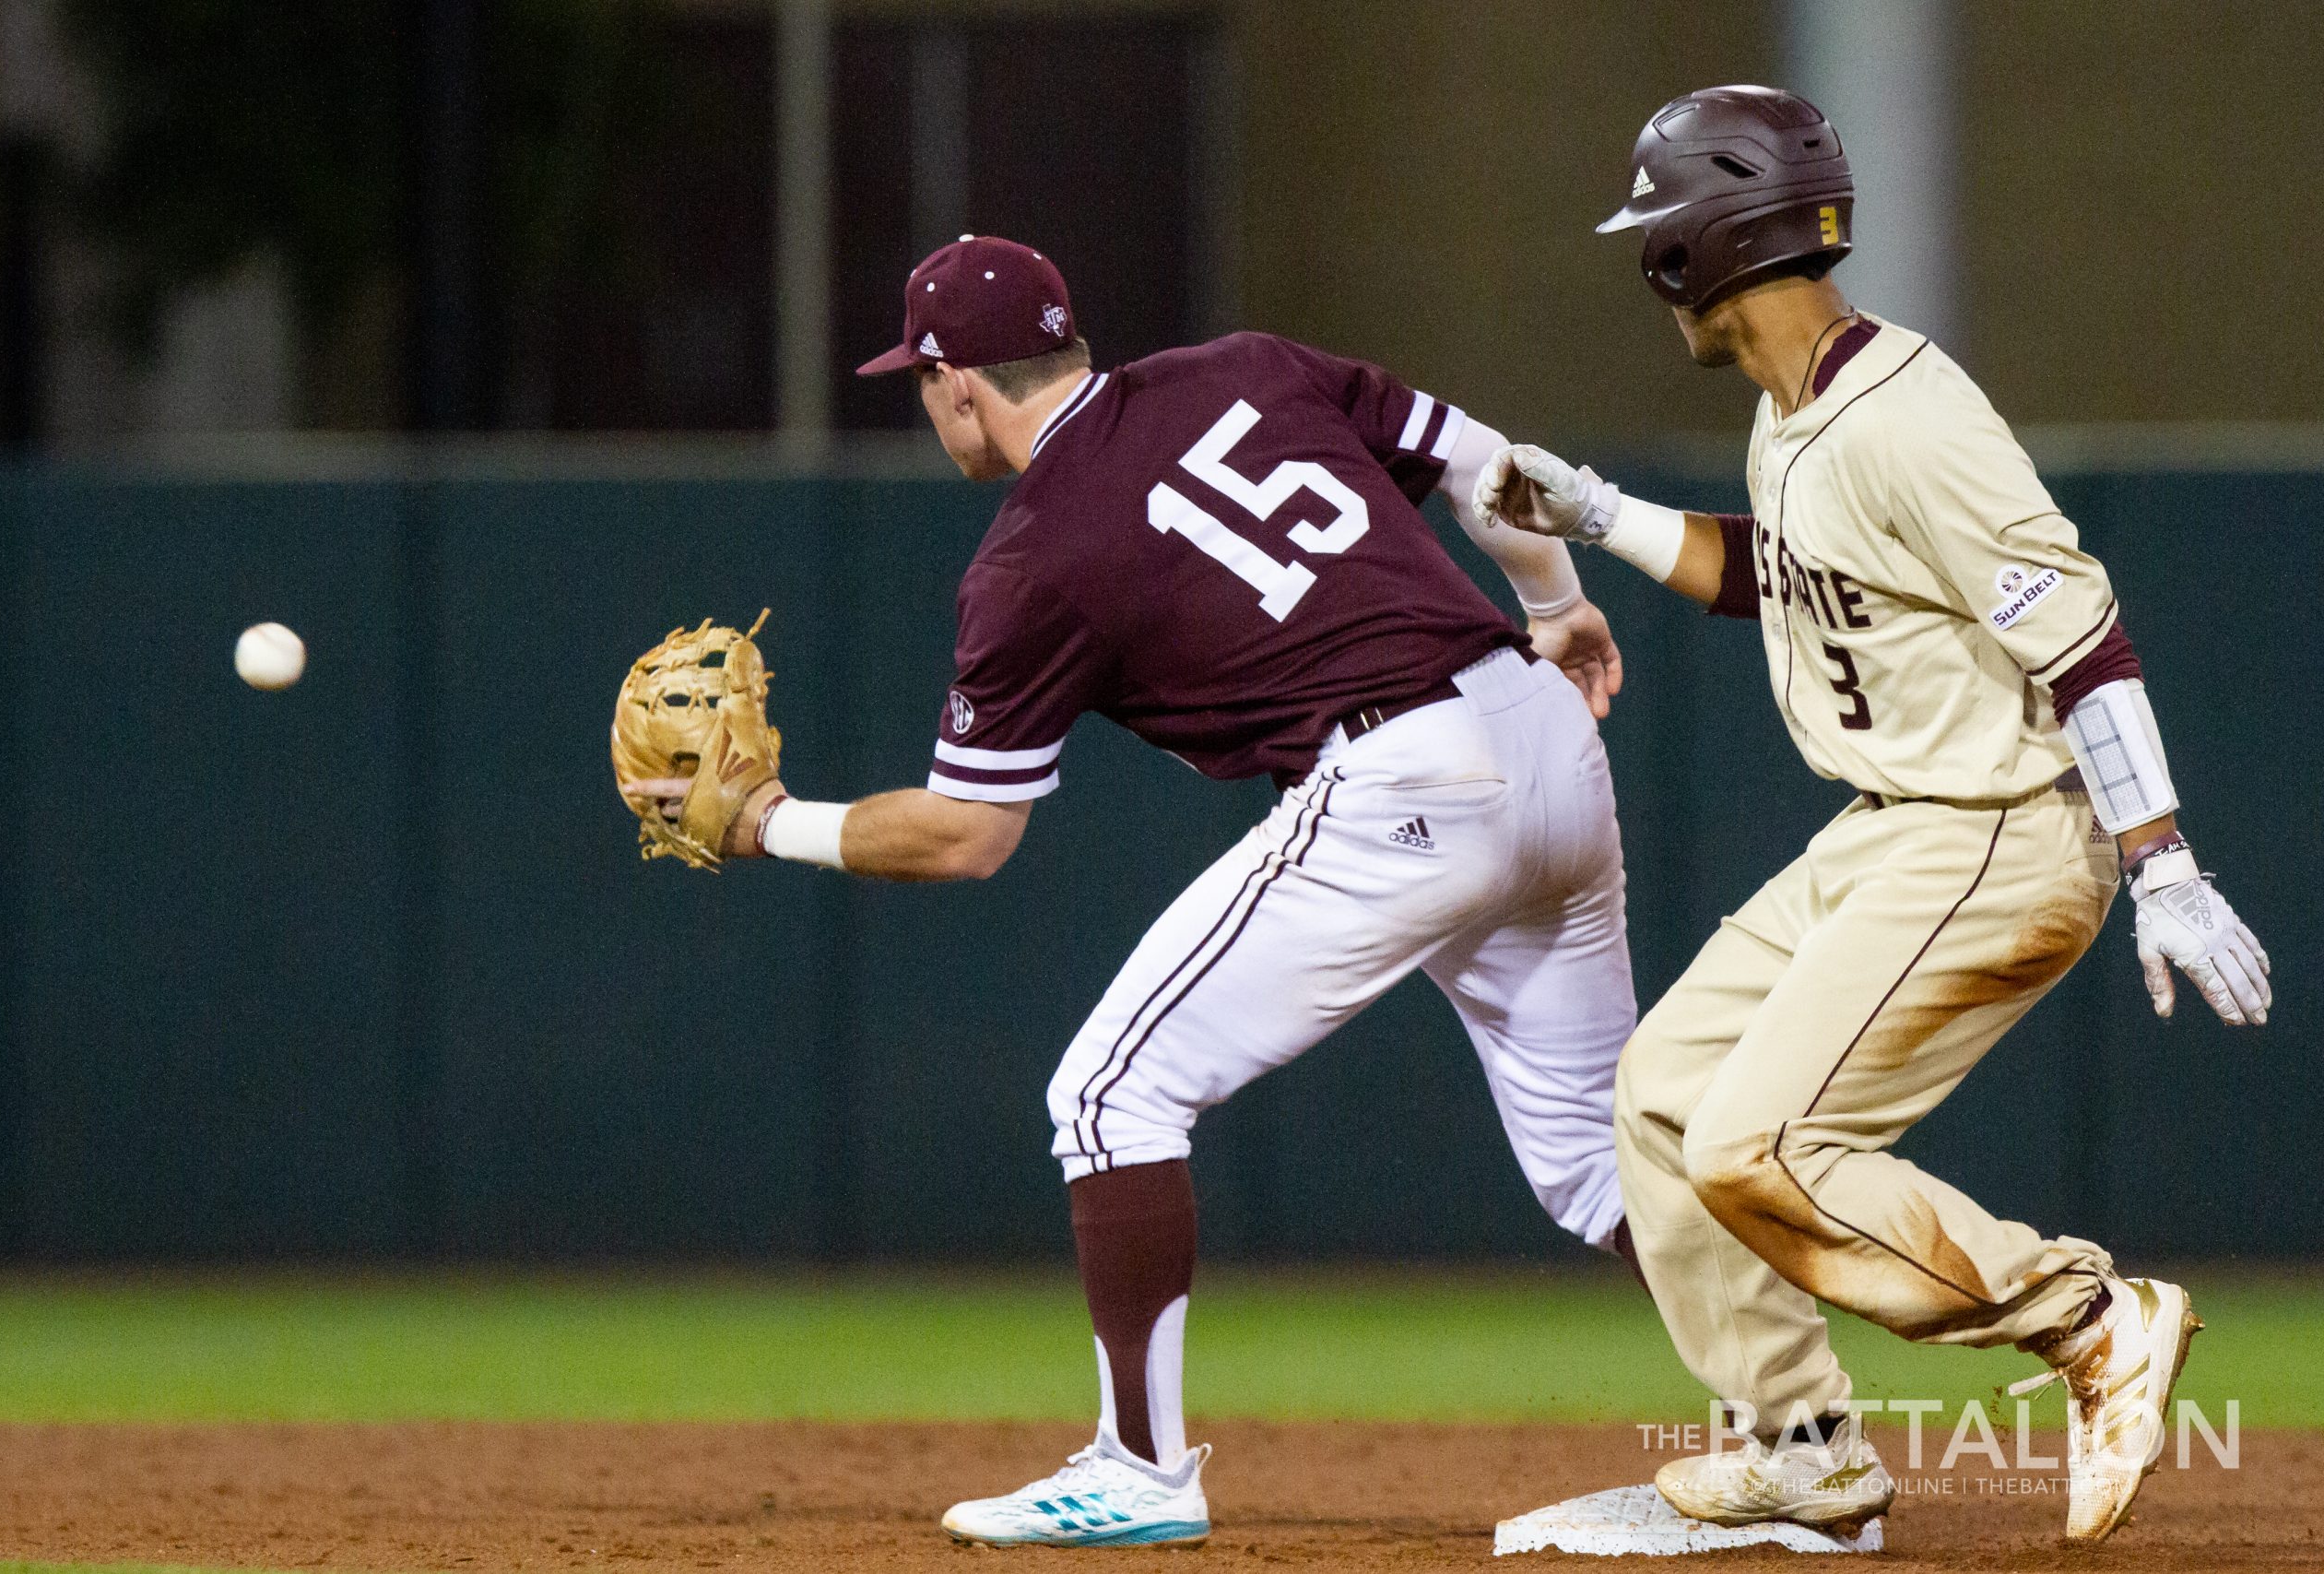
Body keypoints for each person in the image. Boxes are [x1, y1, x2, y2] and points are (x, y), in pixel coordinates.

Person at [629, 233, 1641, 1546]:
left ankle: (1141, 1470)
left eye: (922, 380)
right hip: (1542, 726)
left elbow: (966, 836)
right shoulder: (1249, 366)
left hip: (1403, 780)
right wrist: (1553, 600)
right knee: (1604, 1165)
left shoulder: (1031, 554)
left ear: (956, 385)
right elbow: (1485, 461)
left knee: (1111, 1094)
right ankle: (1801, 1436)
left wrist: (771, 823)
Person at [1477, 86, 2271, 1544]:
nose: (1647, 259)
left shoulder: (1907, 411)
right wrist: (1599, 515)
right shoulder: (1798, 416)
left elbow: (2077, 628)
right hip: (1892, 831)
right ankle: (1804, 1449)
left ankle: (2088, 1318)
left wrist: (2162, 859)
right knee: (1661, 1100)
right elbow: (1780, 580)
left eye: (1659, 227)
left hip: (1993, 827)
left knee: (1756, 1146)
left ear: (1703, 244)